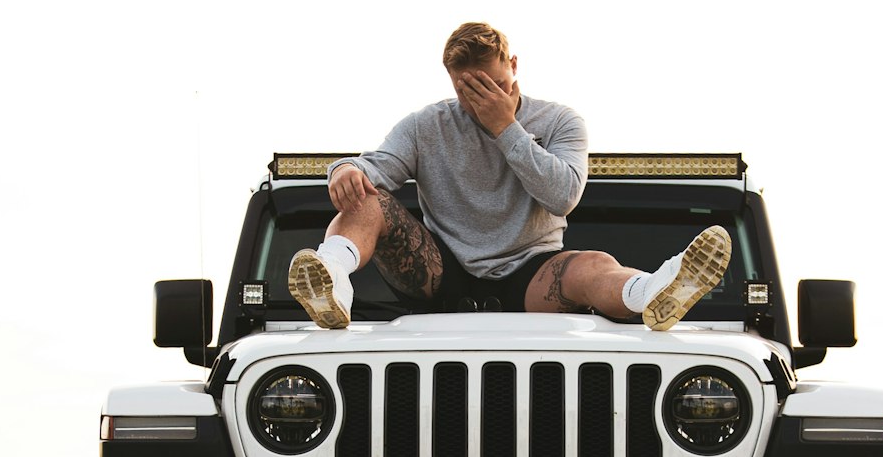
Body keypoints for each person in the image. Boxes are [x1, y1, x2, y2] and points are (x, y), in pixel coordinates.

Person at [287, 22, 731, 331]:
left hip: (530, 272)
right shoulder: (427, 125)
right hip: (443, 271)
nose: (480, 98)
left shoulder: (560, 121)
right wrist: (346, 169)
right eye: (467, 89)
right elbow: (376, 165)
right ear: (450, 80)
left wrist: (506, 128)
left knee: (593, 265)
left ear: (513, 65)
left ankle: (651, 292)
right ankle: (332, 283)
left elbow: (564, 196)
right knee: (369, 197)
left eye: (493, 84)